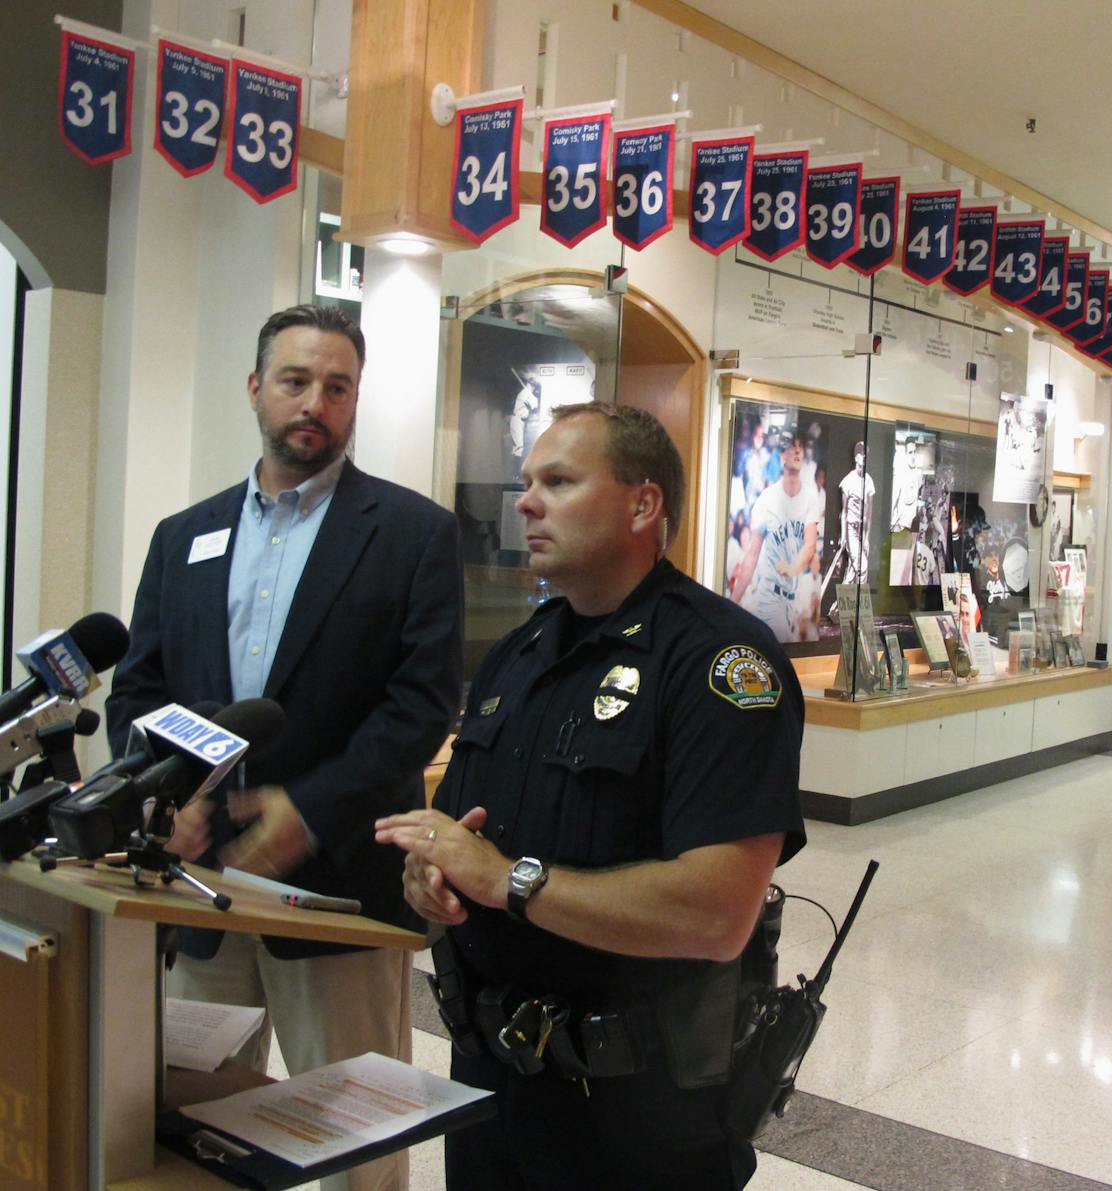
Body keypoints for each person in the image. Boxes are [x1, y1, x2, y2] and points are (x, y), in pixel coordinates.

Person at [374, 402, 806, 1190]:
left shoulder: (720, 664)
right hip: (489, 1088)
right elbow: (463, 840)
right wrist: (432, 878)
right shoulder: (517, 658)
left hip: (637, 1118)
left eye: (559, 481)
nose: (526, 502)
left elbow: (717, 914)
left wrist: (510, 880)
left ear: (643, 504)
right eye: (526, 482)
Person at [106, 304, 464, 1191]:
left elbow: (419, 707)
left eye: (337, 387)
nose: (316, 403)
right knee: (192, 1130)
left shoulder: (413, 534)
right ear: (256, 387)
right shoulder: (183, 535)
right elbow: (139, 690)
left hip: (337, 884)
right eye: (297, 380)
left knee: (355, 1148)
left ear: (354, 402)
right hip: (197, 888)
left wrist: (310, 810)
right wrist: (164, 800)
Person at [730, 429, 819, 642]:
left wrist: (792, 568)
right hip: (770, 597)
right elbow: (751, 557)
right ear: (782, 455)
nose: (797, 450)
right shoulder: (767, 499)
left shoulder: (810, 495)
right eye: (791, 446)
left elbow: (810, 545)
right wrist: (731, 604)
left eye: (800, 446)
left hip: (793, 600)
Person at [835, 441, 875, 585]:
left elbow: (869, 513)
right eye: (861, 453)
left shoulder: (869, 481)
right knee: (862, 568)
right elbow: (844, 512)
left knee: (852, 572)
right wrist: (844, 536)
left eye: (866, 454)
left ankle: (838, 608)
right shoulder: (848, 481)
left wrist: (867, 538)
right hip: (851, 529)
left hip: (861, 531)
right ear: (856, 457)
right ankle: (857, 604)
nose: (864, 456)